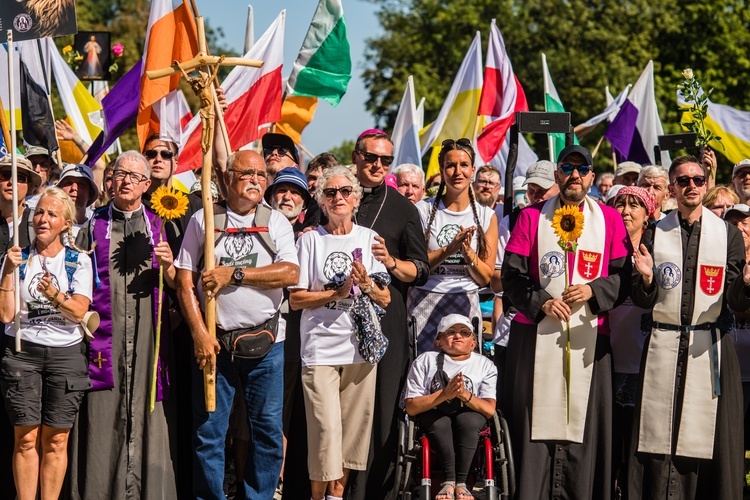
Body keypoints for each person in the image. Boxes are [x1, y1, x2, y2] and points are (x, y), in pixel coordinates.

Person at [501, 144, 631, 500]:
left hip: (592, 337)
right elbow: (511, 276)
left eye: (582, 168)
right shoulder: (530, 218)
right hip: (535, 337)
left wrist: (593, 291)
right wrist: (542, 303)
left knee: (585, 425)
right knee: (534, 426)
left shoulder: (610, 219)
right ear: (557, 174)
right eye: (567, 167)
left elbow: (623, 276)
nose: (574, 174)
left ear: (591, 175)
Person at [174, 150, 299, 499]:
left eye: (262, 174)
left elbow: (290, 272)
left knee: (267, 433)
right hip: (215, 344)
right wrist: (199, 333)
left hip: (267, 344)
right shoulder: (204, 220)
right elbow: (185, 281)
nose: (257, 180)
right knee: (210, 432)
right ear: (228, 178)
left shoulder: (275, 222)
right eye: (248, 173)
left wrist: (236, 274)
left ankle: (258, 496)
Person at [629, 155, 750, 500]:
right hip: (664, 346)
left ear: (706, 184)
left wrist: (748, 285)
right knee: (657, 433)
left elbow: (736, 299)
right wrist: (648, 278)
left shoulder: (727, 235)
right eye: (683, 181)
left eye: (698, 180)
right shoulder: (656, 231)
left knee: (712, 437)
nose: (692, 186)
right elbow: (642, 298)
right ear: (672, 189)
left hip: (708, 345)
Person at [67, 151, 178, 499]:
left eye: (134, 175)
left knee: (148, 415)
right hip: (104, 344)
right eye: (120, 173)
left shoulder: (161, 226)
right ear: (111, 180)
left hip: (146, 341)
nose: (126, 180)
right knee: (103, 419)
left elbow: (177, 283)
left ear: (147, 184)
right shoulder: (91, 227)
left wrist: (170, 266)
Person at [290, 165, 391, 500]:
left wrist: (365, 285)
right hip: (319, 350)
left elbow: (386, 297)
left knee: (350, 436)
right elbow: (296, 299)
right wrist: (336, 293)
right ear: (321, 201)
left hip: (360, 350)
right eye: (330, 193)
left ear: (357, 198)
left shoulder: (368, 239)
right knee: (325, 432)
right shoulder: (310, 241)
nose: (338, 198)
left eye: (345, 191)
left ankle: (337, 496)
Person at [345, 129, 429, 500]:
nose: (378, 165)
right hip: (332, 321)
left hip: (384, 318)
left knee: (378, 413)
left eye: (385, 160)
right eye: (371, 157)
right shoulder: (335, 195)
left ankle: (371, 493)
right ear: (356, 156)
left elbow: (420, 270)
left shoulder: (402, 209)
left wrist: (391, 261)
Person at [0, 187, 93, 500]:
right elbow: (5, 314)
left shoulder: (78, 261)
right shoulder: (15, 258)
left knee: (56, 440)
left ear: (65, 223)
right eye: (39, 212)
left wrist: (54, 294)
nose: (43, 219)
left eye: (52, 214)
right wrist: (9, 272)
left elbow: (79, 310)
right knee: (26, 438)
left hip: (65, 356)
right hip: (22, 355)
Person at [408, 138, 497, 354]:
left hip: (465, 300)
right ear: (441, 170)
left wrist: (467, 253)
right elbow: (415, 267)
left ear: (473, 170)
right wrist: (449, 249)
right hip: (424, 299)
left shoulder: (486, 216)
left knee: (463, 379)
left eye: (464, 165)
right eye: (450, 165)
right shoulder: (422, 211)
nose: (458, 172)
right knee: (424, 375)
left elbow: (486, 277)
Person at [404, 314, 497, 500]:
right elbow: (411, 407)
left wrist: (464, 395)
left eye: (464, 332)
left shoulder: (484, 364)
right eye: (451, 332)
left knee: (468, 420)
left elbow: (489, 410)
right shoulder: (425, 360)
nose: (458, 336)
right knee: (440, 422)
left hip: (471, 415)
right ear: (438, 342)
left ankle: (462, 484)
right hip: (434, 413)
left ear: (473, 343)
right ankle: (449, 481)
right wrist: (444, 395)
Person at [608, 186, 657, 498]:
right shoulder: (604, 247)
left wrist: (648, 277)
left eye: (634, 205)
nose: (626, 211)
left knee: (638, 438)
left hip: (644, 361)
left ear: (648, 216)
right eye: (620, 204)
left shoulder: (659, 251)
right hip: (605, 358)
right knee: (611, 438)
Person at [722, 204, 750, 460]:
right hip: (727, 369)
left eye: (745, 222)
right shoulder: (718, 263)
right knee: (731, 439)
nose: (738, 228)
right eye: (732, 223)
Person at [0, 157, 42, 256]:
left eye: (20, 178)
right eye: (5, 176)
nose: (11, 182)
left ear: (30, 186)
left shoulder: (39, 224)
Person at [56, 164, 99, 233]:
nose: (74, 188)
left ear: (90, 194)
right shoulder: (48, 224)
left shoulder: (97, 230)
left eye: (81, 184)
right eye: (68, 183)